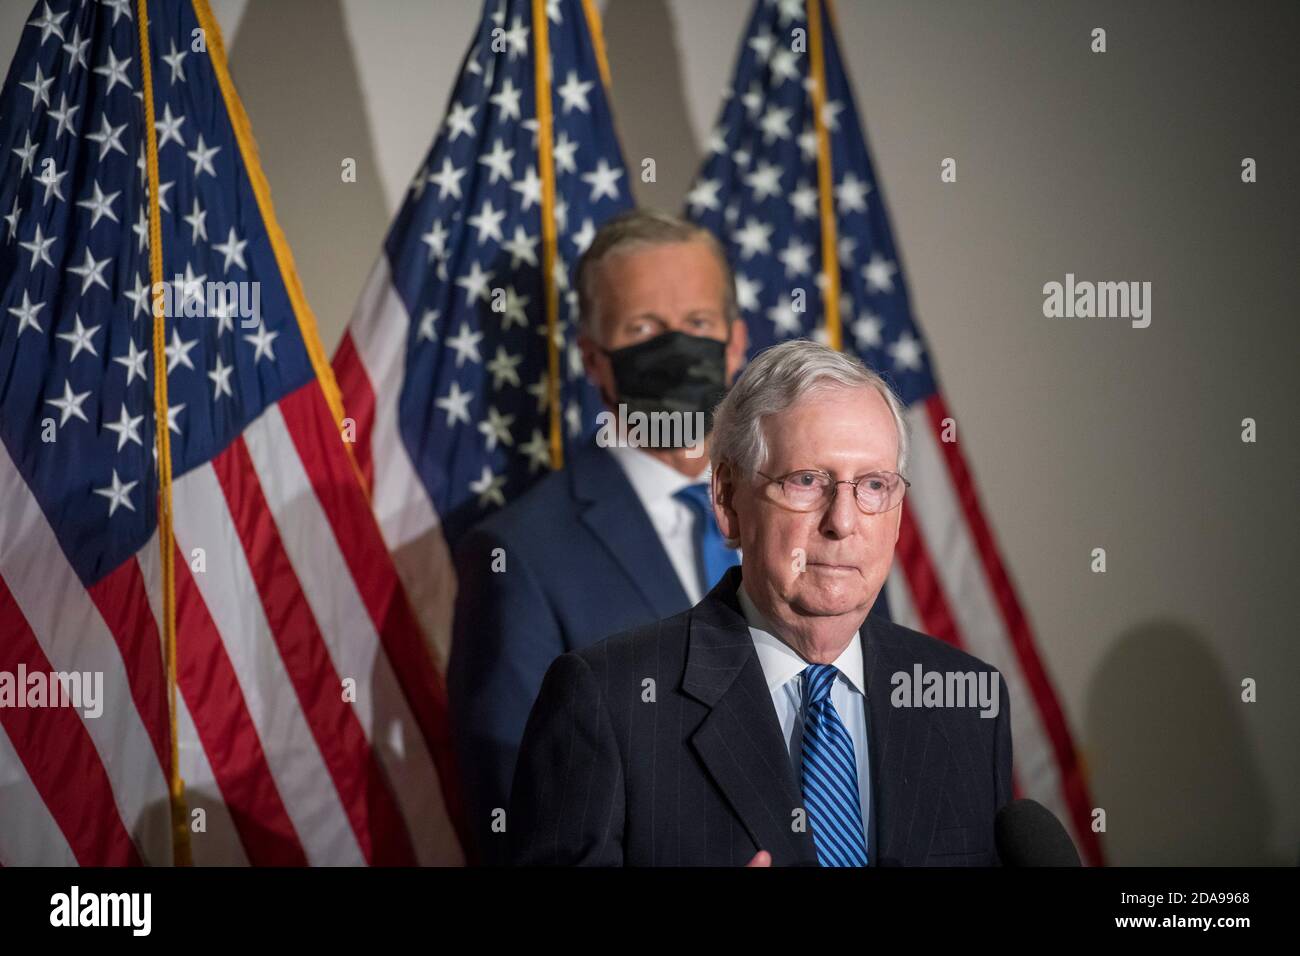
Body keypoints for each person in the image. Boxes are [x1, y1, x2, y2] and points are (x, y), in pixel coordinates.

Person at [509, 339, 1013, 866]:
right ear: (727, 499)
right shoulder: (610, 704)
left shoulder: (966, 701)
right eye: (806, 481)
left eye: (873, 485)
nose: (842, 522)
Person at [448, 210, 748, 863]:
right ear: (593, 358)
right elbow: (522, 822)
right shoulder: (519, 556)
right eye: (644, 328)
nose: (675, 348)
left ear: (735, 343)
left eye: (697, 324)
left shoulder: (814, 509)